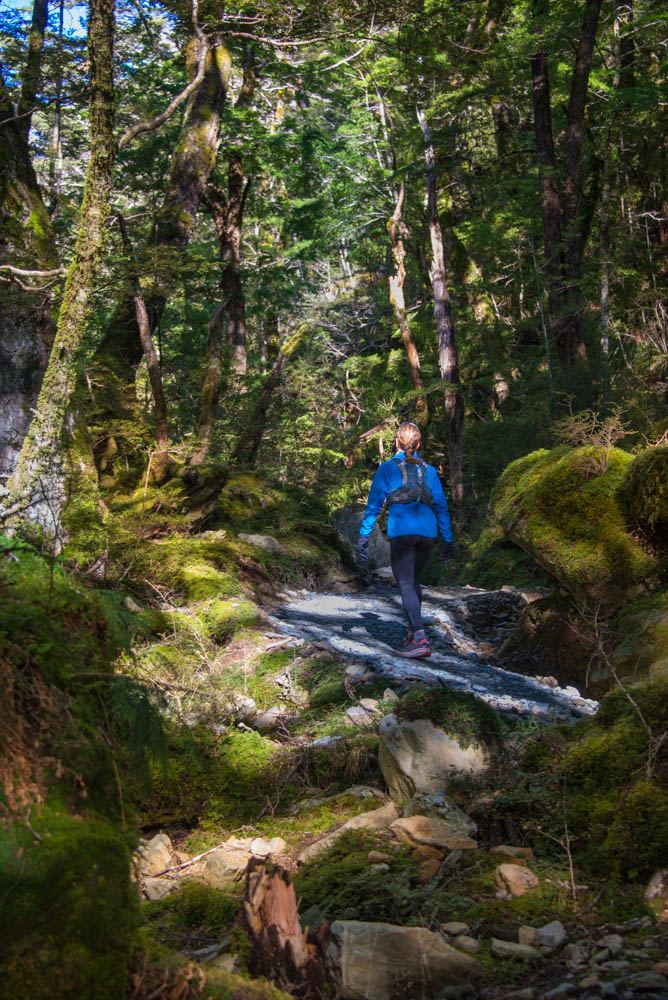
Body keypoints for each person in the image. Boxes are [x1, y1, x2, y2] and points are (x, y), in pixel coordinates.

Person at [357, 422, 454, 658]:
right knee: (414, 580)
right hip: (428, 533)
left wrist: (364, 536)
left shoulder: (387, 468)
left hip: (402, 531)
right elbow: (441, 507)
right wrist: (447, 543)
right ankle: (413, 632)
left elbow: (374, 506)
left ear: (396, 442)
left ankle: (420, 639)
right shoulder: (429, 470)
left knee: (405, 583)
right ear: (418, 444)